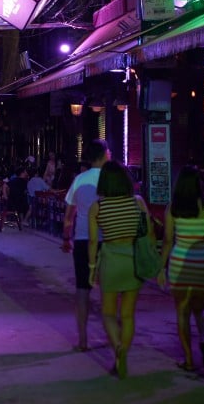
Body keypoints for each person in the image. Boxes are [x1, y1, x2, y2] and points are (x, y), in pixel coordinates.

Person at [88, 159, 154, 379]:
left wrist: (91, 269)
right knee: (127, 315)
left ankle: (117, 347)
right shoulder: (138, 203)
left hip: (111, 261)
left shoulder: (97, 207)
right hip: (133, 261)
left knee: (107, 313)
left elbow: (93, 242)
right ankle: (122, 352)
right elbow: (149, 233)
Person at [157, 166, 204, 371]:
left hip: (180, 261)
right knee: (200, 309)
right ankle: (203, 339)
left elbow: (167, 241)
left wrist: (161, 269)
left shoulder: (172, 208)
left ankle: (189, 360)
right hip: (202, 261)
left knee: (182, 312)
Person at [62, 140, 109, 352]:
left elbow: (69, 214)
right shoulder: (112, 180)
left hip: (82, 240)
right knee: (109, 290)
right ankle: (112, 336)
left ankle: (82, 340)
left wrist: (66, 237)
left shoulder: (80, 180)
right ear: (104, 155)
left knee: (82, 290)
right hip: (108, 241)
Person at [0, 167, 29, 232]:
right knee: (28, 206)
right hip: (19, 203)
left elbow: (4, 186)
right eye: (25, 171)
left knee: (21, 207)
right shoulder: (24, 181)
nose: (26, 173)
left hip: (11, 202)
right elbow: (25, 192)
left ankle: (20, 223)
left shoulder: (13, 180)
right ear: (22, 173)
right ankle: (22, 222)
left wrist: (5, 195)